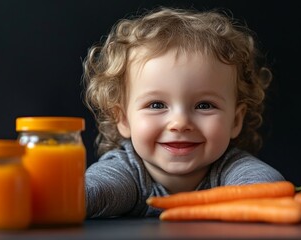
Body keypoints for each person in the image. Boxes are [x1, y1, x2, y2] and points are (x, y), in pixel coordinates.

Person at [82, 6, 284, 218]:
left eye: (204, 105)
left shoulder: (231, 167)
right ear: (122, 119)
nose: (179, 122)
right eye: (157, 105)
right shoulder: (125, 170)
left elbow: (267, 187)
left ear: (235, 120)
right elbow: (92, 192)